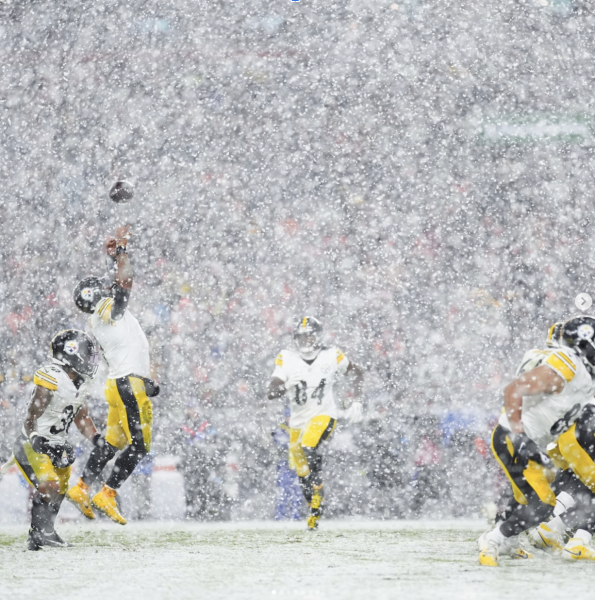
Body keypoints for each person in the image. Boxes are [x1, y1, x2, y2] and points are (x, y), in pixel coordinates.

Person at [478, 316, 595, 566]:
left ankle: (507, 542)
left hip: (533, 440)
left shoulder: (582, 374)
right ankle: (493, 541)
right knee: (540, 504)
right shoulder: (569, 363)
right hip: (515, 438)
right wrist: (519, 435)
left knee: (532, 497)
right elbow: (513, 390)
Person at [66, 225, 158, 525]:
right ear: (97, 296)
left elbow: (117, 284)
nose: (109, 287)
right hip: (129, 383)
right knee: (140, 446)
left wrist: (113, 258)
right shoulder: (106, 308)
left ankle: (81, 487)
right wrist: (121, 251)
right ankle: (108, 491)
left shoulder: (97, 314)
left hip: (121, 383)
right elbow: (124, 284)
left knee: (112, 442)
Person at [7, 329, 101, 550]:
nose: (90, 360)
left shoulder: (81, 382)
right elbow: (31, 416)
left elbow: (83, 418)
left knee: (59, 489)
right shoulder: (52, 377)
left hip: (58, 444)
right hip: (32, 442)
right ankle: (36, 534)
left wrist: (97, 438)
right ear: (72, 354)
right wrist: (36, 438)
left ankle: (45, 532)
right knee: (49, 485)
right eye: (87, 354)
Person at [267, 317, 364, 530]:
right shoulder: (287, 357)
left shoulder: (332, 355)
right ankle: (314, 512)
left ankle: (319, 491)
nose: (305, 340)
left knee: (308, 446)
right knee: (302, 474)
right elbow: (270, 392)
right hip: (297, 422)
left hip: (324, 415)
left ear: (318, 336)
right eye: (301, 336)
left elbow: (358, 372)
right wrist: (285, 386)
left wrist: (356, 400)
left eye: (309, 334)